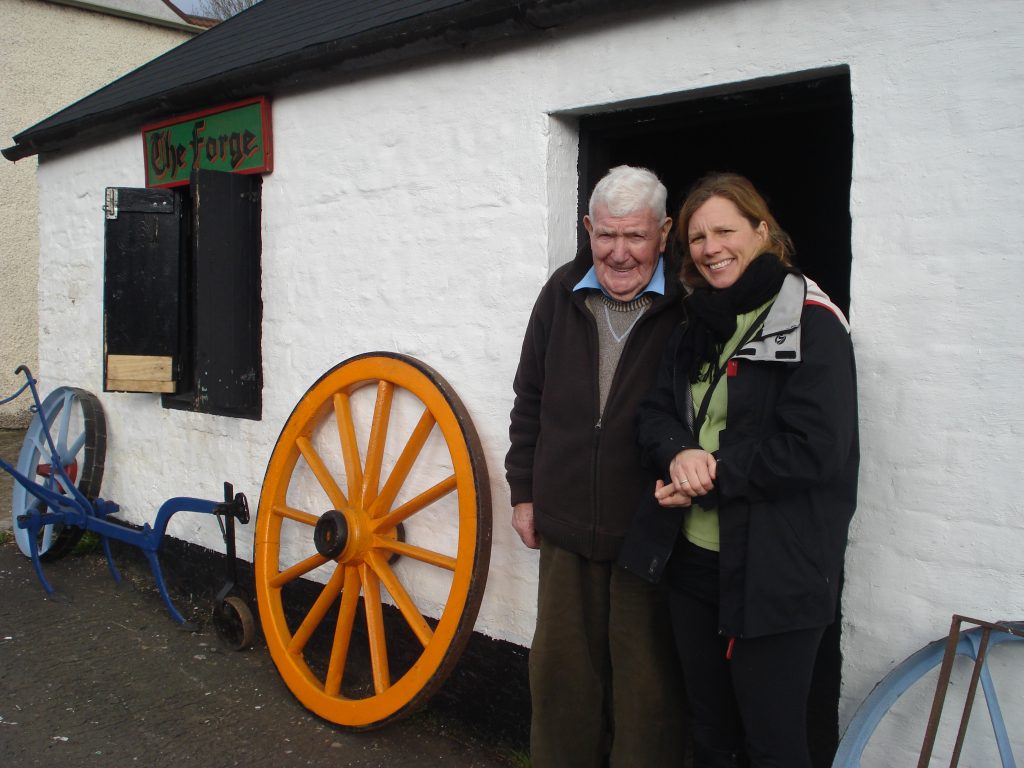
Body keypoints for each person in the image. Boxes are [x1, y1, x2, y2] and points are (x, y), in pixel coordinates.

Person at [633, 172, 859, 768]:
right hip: (694, 565)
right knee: (709, 733)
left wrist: (709, 474)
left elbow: (815, 448)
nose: (711, 248)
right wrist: (677, 453)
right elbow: (656, 412)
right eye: (698, 236)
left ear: (763, 230)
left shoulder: (812, 321)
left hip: (775, 570)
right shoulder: (698, 323)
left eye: (726, 230)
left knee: (773, 743)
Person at [505, 165, 689, 767]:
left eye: (634, 236)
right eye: (606, 235)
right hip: (563, 522)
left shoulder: (687, 307)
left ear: (664, 232)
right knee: (561, 683)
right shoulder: (560, 293)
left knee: (646, 693)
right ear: (588, 228)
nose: (618, 252)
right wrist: (523, 492)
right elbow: (529, 397)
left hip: (648, 532)